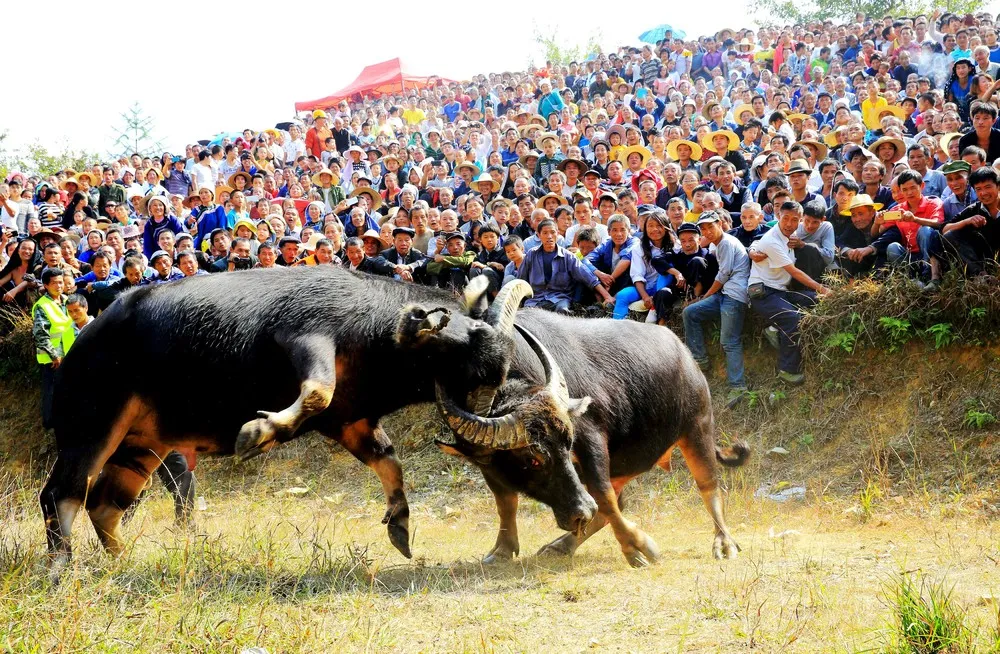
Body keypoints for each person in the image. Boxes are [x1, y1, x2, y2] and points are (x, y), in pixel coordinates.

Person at [748, 201, 830, 384]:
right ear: (778, 216)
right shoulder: (772, 240)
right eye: (785, 218)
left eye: (795, 220)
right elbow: (794, 272)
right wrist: (824, 289)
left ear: (800, 221)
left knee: (815, 300)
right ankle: (787, 370)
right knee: (794, 319)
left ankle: (774, 327)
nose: (789, 224)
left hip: (781, 292)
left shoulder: (792, 235)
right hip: (763, 293)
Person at [683, 211, 752, 404]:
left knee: (729, 341)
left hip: (734, 296)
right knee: (690, 313)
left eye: (710, 226)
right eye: (703, 228)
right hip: (723, 295)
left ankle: (738, 387)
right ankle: (700, 359)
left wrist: (707, 294)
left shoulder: (728, 242)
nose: (707, 231)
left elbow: (723, 275)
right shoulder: (718, 244)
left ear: (720, 223)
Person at [518, 219, 613, 313]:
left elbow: (588, 277)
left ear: (558, 233)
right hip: (535, 300)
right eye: (545, 233)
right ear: (539, 235)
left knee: (563, 311)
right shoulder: (531, 255)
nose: (549, 236)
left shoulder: (568, 256)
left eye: (552, 232)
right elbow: (521, 280)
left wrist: (607, 296)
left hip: (559, 298)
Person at [32, 267, 73, 429]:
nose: (59, 286)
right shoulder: (42, 305)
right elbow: (40, 334)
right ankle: (50, 425)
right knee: (51, 392)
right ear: (46, 285)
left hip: (69, 355)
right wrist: (55, 355)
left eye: (61, 282)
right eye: (55, 283)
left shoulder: (67, 300)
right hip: (52, 359)